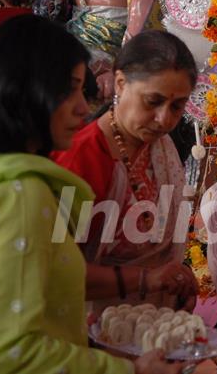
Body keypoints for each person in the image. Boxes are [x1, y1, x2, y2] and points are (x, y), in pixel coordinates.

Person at [0, 14, 184, 374]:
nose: (83, 107)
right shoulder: (20, 194)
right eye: (68, 89)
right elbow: (13, 353)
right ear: (23, 90)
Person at [53, 30, 199, 315]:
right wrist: (147, 280)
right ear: (120, 83)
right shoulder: (80, 158)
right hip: (89, 330)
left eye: (177, 106)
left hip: (157, 324)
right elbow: (55, 271)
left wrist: (175, 284)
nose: (164, 119)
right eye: (153, 101)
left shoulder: (161, 145)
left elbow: (161, 252)